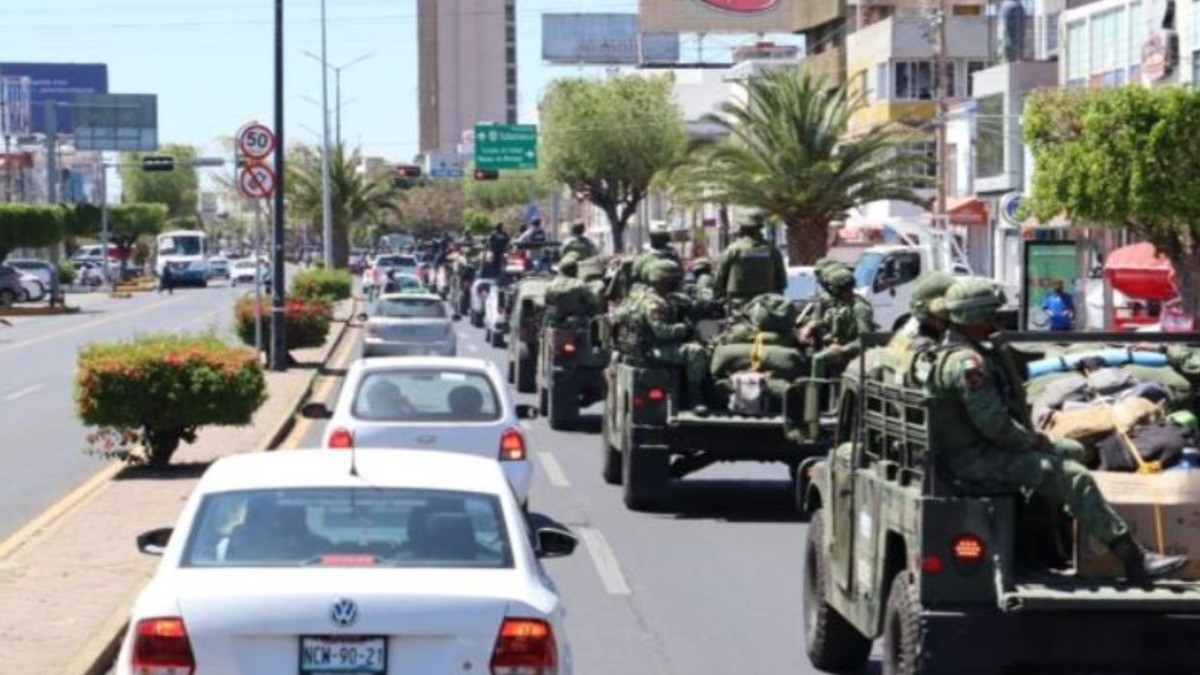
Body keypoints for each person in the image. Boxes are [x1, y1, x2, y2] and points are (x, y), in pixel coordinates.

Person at [927, 279, 1187, 582]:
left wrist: (1039, 441)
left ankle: (1040, 545)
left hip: (983, 448)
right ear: (977, 317)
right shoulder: (967, 364)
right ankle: (1134, 559)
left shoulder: (969, 351)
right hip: (976, 458)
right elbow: (996, 428)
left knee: (1074, 449)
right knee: (1073, 476)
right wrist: (1034, 441)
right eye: (991, 314)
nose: (997, 320)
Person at [636, 259, 709, 412]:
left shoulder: (666, 298)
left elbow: (686, 302)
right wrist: (685, 329)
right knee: (695, 352)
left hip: (663, 345)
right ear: (660, 281)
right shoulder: (653, 303)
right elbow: (661, 331)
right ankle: (695, 399)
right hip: (655, 349)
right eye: (671, 281)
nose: (675, 284)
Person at [799, 266, 874, 381]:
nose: (829, 290)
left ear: (840, 288)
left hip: (849, 353)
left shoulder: (860, 308)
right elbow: (827, 320)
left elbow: (865, 340)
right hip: (835, 346)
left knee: (818, 359)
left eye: (832, 287)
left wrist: (843, 349)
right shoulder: (841, 304)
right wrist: (809, 327)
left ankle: (816, 396)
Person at [712, 214, 786, 307]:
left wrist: (717, 297)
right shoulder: (772, 250)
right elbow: (782, 281)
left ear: (743, 229)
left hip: (738, 304)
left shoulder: (733, 250)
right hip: (766, 304)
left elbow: (720, 278)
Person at [544, 253, 599, 325]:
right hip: (578, 319)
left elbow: (546, 300)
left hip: (557, 319)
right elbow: (592, 301)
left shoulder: (551, 284)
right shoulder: (579, 283)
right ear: (575, 270)